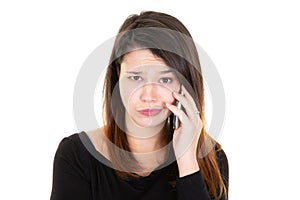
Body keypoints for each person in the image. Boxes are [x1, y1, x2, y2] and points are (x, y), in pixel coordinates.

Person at [50, 11, 229, 200]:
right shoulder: (77, 155)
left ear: (185, 86)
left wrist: (187, 163)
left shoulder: (212, 159)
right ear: (118, 75)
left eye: (165, 79)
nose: (148, 96)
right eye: (136, 77)